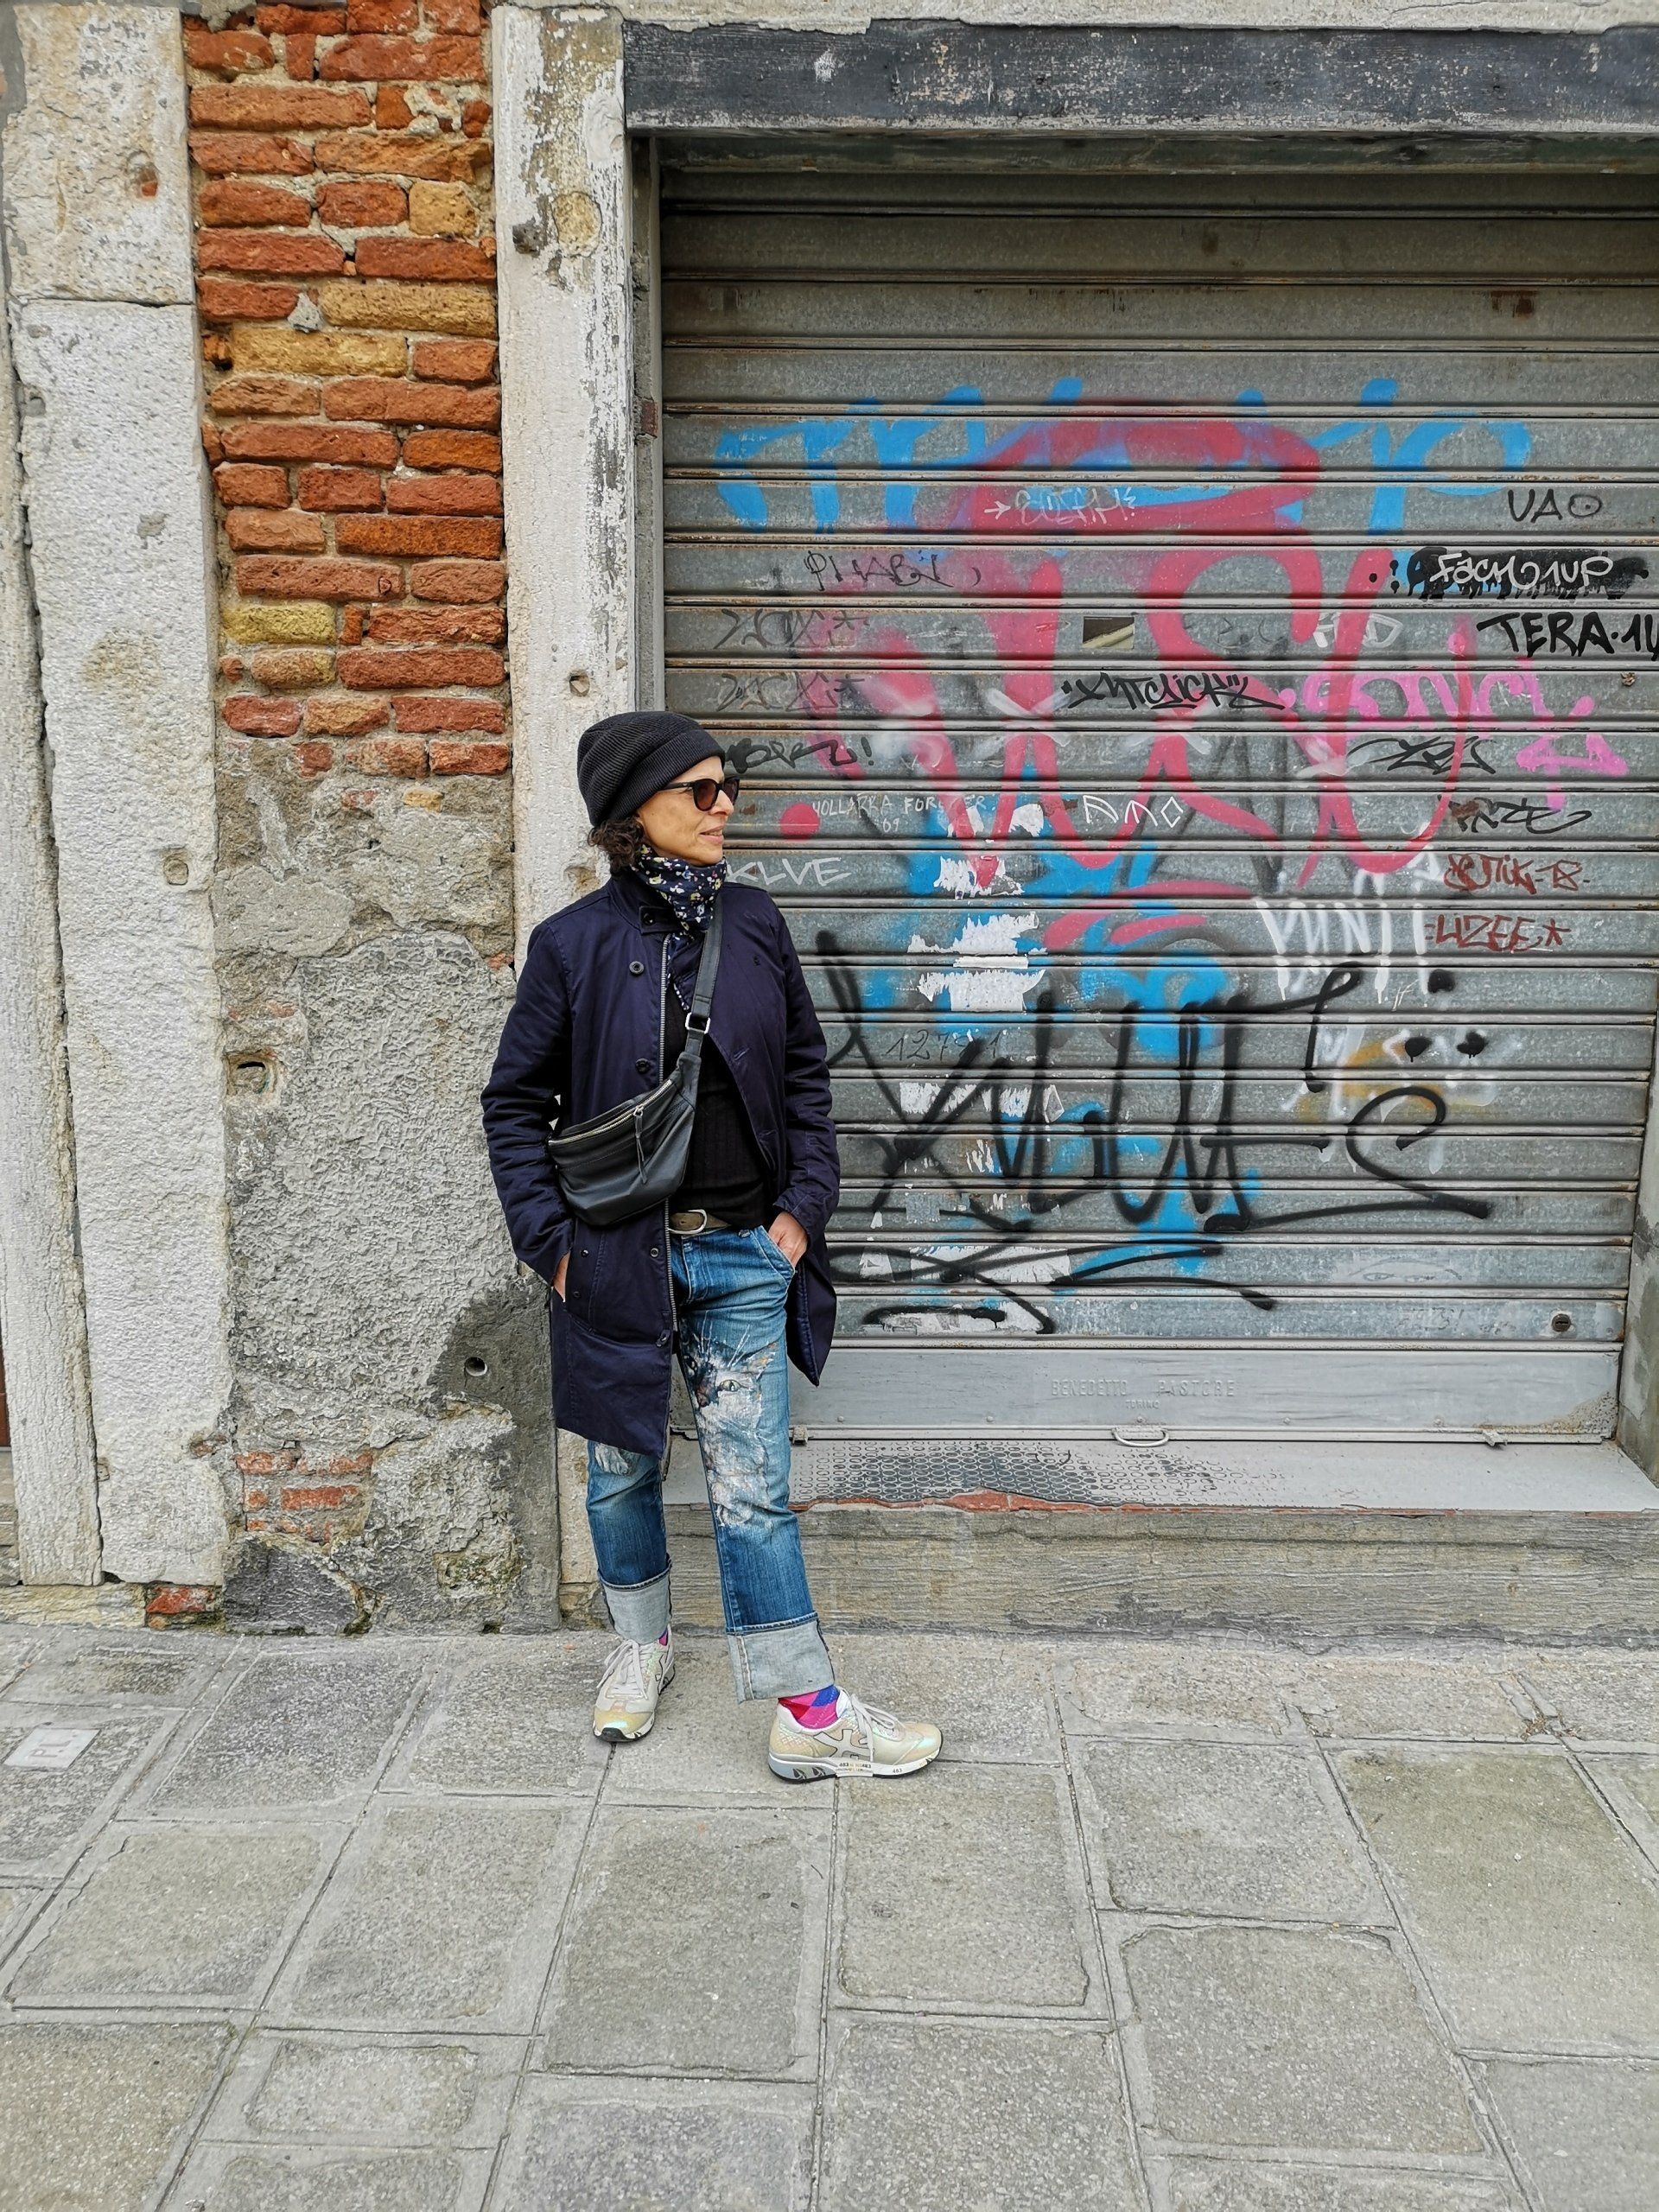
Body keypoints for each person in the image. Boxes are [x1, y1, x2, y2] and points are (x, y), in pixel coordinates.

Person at [482, 710, 941, 1783]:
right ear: (632, 809)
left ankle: (808, 1710)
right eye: (698, 789)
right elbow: (514, 1105)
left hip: (743, 1255)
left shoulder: (757, 923)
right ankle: (641, 1646)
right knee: (618, 1475)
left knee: (752, 1489)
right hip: (612, 1261)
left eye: (726, 783)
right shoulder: (571, 946)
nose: (724, 803)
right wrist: (553, 1247)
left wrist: (801, 1213)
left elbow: (806, 1076)